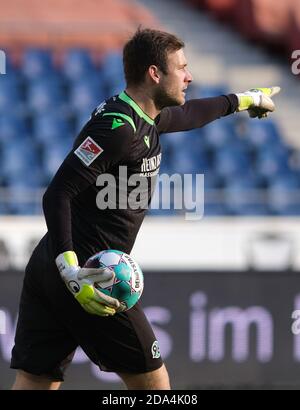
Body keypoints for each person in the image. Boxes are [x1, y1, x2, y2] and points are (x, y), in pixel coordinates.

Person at [10, 27, 280, 390]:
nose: (189, 76)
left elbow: (190, 115)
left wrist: (245, 100)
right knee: (155, 386)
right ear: (155, 73)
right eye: (181, 68)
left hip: (52, 264)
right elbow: (56, 193)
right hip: (90, 272)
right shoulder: (117, 129)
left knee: (36, 380)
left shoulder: (143, 117)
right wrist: (72, 271)